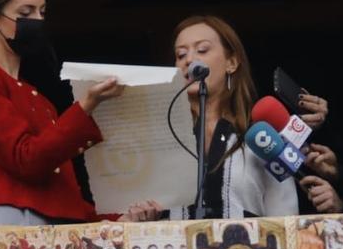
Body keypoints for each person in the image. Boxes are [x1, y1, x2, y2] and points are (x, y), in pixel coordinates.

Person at [0, 0, 129, 226]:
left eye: (42, 12)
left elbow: (58, 191)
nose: (37, 21)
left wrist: (115, 219)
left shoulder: (36, 97)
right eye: (26, 12)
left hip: (49, 224)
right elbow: (26, 158)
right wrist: (86, 105)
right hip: (6, 218)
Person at [124, 16, 317, 221]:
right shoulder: (158, 139)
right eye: (181, 55)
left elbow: (285, 218)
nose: (189, 60)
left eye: (202, 50)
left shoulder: (261, 138)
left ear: (231, 63)